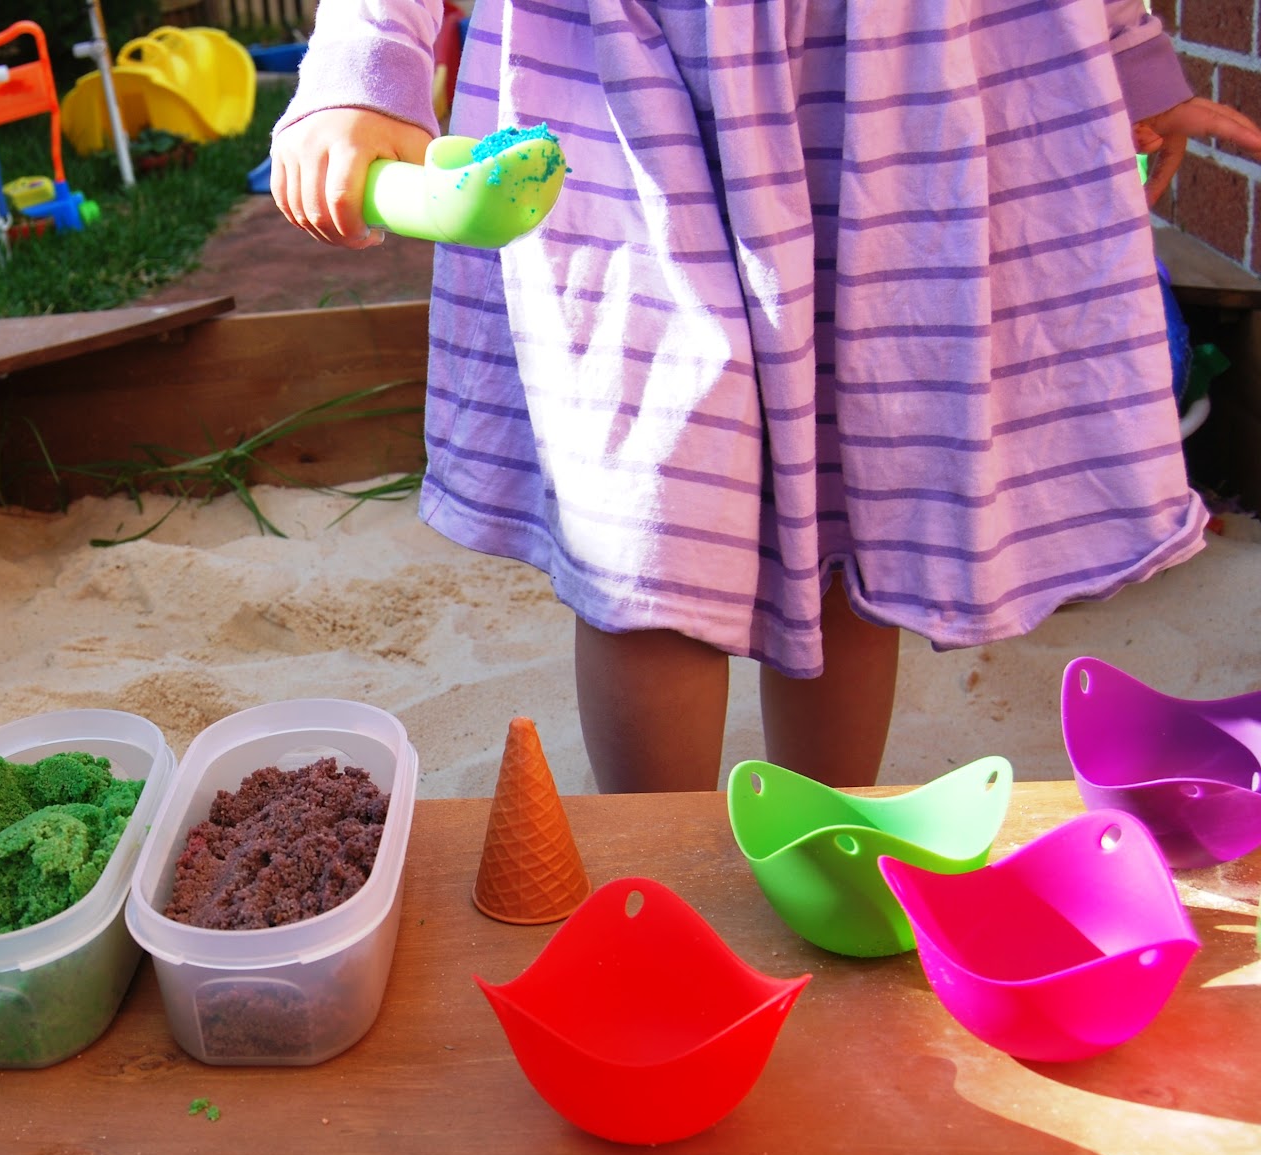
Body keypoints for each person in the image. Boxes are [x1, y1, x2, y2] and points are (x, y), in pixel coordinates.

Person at [270, 1, 1261, 794]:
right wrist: (368, 48)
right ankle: (660, 873)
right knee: (652, 505)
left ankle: (816, 838)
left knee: (847, 495)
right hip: (629, 72)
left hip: (900, 84)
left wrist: (1126, 56)